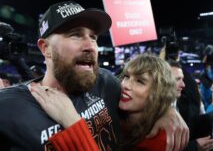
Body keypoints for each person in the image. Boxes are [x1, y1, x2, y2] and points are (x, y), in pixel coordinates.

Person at [0, 0, 189, 151]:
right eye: (75, 34)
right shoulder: (8, 106)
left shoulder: (106, 81)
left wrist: (167, 111)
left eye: (93, 37)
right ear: (45, 48)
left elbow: (148, 99)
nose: (91, 46)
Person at [31, 54, 181, 151]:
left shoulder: (163, 141)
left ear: (158, 92)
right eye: (127, 76)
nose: (125, 85)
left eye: (140, 81)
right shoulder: (113, 104)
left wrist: (72, 122)